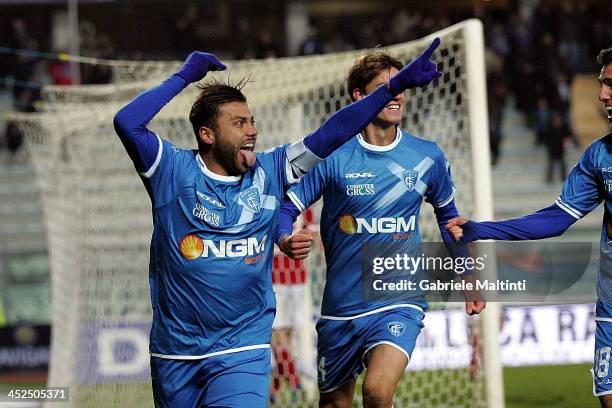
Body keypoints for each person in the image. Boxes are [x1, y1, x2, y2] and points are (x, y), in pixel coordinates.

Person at [113, 42, 442, 408]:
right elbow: (126, 121)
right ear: (207, 134)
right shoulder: (170, 171)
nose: (252, 131)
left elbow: (333, 132)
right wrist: (185, 76)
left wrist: (393, 88)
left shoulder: (272, 171)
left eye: (252, 121)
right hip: (175, 352)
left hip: (243, 349)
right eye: (239, 123)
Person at [278, 47, 485, 408]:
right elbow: (287, 208)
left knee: (376, 391)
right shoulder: (333, 157)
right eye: (387, 87)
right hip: (340, 307)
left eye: (401, 86)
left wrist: (468, 278)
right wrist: (284, 238)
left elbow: (449, 219)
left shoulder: (428, 156)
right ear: (360, 96)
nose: (399, 93)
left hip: (399, 299)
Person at [446, 47, 612, 407]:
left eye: (611, 85)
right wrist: (481, 229)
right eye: (601, 84)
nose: (602, 94)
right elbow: (556, 218)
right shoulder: (599, 156)